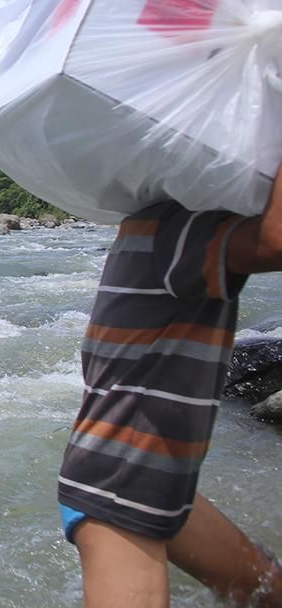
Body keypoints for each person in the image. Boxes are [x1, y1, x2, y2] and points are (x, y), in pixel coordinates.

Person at [57, 160, 282, 607]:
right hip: (122, 480)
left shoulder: (161, 223)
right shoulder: (174, 229)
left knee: (263, 591)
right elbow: (276, 239)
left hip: (152, 476)